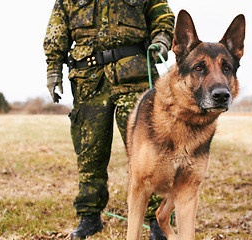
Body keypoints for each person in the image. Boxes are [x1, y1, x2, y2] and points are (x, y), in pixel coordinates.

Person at [44, 0, 174, 239]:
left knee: (149, 152)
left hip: (134, 76)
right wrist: (53, 70)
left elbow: (162, 15)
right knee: (89, 152)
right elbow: (57, 31)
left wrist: (162, 41)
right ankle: (89, 217)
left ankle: (158, 221)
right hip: (88, 80)